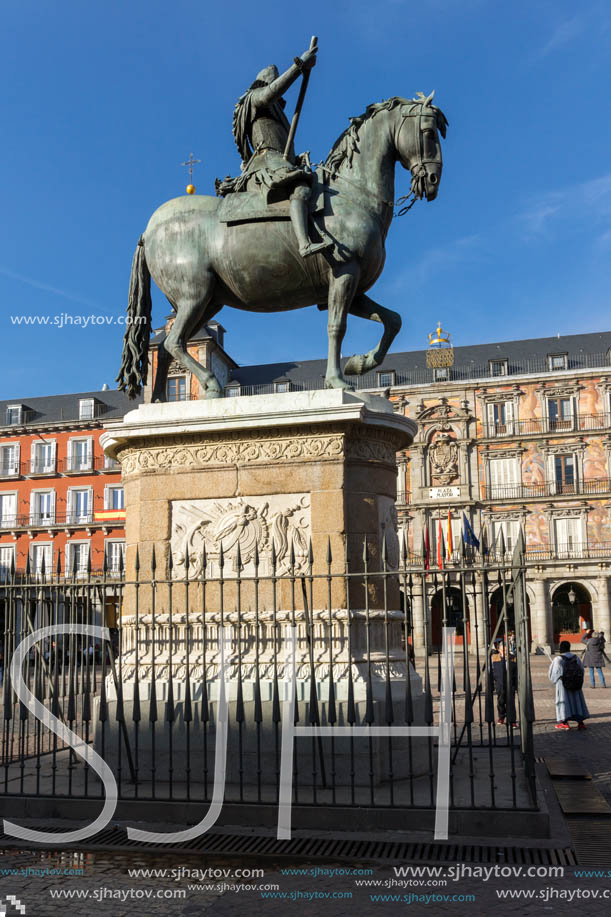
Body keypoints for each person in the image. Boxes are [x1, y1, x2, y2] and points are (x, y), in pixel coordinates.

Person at [218, 39, 333, 259]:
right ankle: (304, 244)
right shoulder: (254, 99)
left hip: (280, 161)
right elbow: (270, 92)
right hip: (266, 162)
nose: (279, 91)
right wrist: (299, 67)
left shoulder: (274, 112)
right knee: (301, 188)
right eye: (274, 82)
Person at [549, 640, 589, 730]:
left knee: (564, 702)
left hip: (563, 685)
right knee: (577, 702)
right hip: (576, 684)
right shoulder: (576, 658)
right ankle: (580, 723)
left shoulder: (558, 659)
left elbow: (554, 674)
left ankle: (564, 723)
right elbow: (581, 670)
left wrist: (555, 680)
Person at [491, 638, 518, 728]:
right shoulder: (494, 658)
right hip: (499, 684)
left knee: (511, 703)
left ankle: (512, 720)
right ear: (499, 650)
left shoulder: (513, 659)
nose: (505, 651)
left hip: (510, 685)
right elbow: (491, 672)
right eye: (503, 649)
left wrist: (516, 686)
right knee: (500, 701)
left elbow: (516, 673)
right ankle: (501, 717)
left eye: (506, 649)